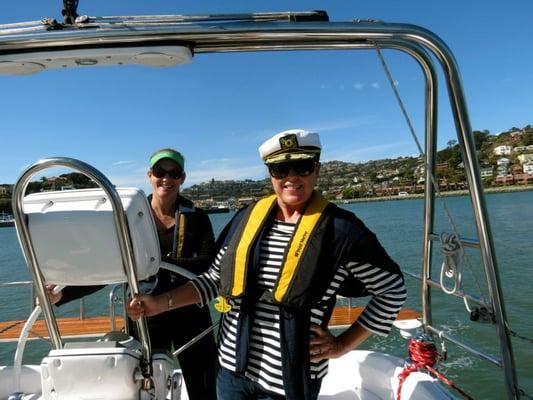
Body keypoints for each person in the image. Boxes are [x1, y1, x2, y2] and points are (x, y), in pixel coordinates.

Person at [127, 130, 407, 400]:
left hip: (290, 379)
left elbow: (392, 291)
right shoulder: (246, 219)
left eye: (303, 167)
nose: (292, 178)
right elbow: (214, 279)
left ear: (317, 170)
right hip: (231, 372)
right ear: (270, 175)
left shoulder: (342, 232)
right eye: (280, 170)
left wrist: (342, 345)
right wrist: (159, 303)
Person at [47, 148, 218, 400]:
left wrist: (153, 264)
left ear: (182, 178)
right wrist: (62, 293)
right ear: (150, 175)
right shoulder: (130, 220)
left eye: (174, 173)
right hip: (143, 314)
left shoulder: (198, 218)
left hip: (189, 310)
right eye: (160, 172)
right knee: (142, 386)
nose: (166, 179)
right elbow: (110, 266)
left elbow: (207, 266)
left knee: (204, 384)